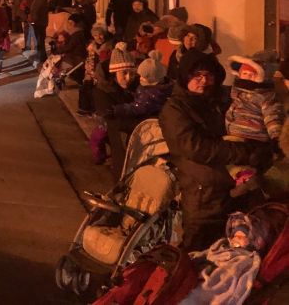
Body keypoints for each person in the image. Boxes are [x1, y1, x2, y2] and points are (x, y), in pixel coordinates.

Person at [158, 55, 272, 251]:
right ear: (185, 77)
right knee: (197, 251)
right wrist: (244, 153)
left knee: (238, 248)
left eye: (208, 75)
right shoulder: (174, 110)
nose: (203, 81)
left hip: (235, 191)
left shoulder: (221, 99)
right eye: (196, 76)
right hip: (203, 196)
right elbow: (196, 148)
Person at [101, 50, 173, 178]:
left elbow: (138, 107)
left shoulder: (151, 94)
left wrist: (119, 109)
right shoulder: (155, 88)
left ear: (152, 79)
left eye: (142, 76)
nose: (137, 78)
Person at [223, 55, 285, 196]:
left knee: (228, 153)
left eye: (252, 75)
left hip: (251, 135)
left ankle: (247, 178)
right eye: (245, 74)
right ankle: (244, 179)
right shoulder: (237, 93)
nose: (248, 78)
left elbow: (272, 116)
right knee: (227, 157)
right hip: (236, 134)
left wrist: (276, 137)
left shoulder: (264, 95)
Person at [77, 25, 113, 116]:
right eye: (96, 35)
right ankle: (84, 108)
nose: (99, 37)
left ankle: (94, 109)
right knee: (84, 87)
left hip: (101, 72)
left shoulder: (108, 46)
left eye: (100, 34)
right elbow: (89, 59)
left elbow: (105, 60)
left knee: (94, 90)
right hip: (90, 71)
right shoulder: (91, 46)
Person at [28, 0, 50, 65]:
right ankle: (41, 56)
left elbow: (35, 10)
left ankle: (41, 57)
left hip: (39, 22)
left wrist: (33, 21)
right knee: (41, 39)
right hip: (42, 22)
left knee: (39, 40)